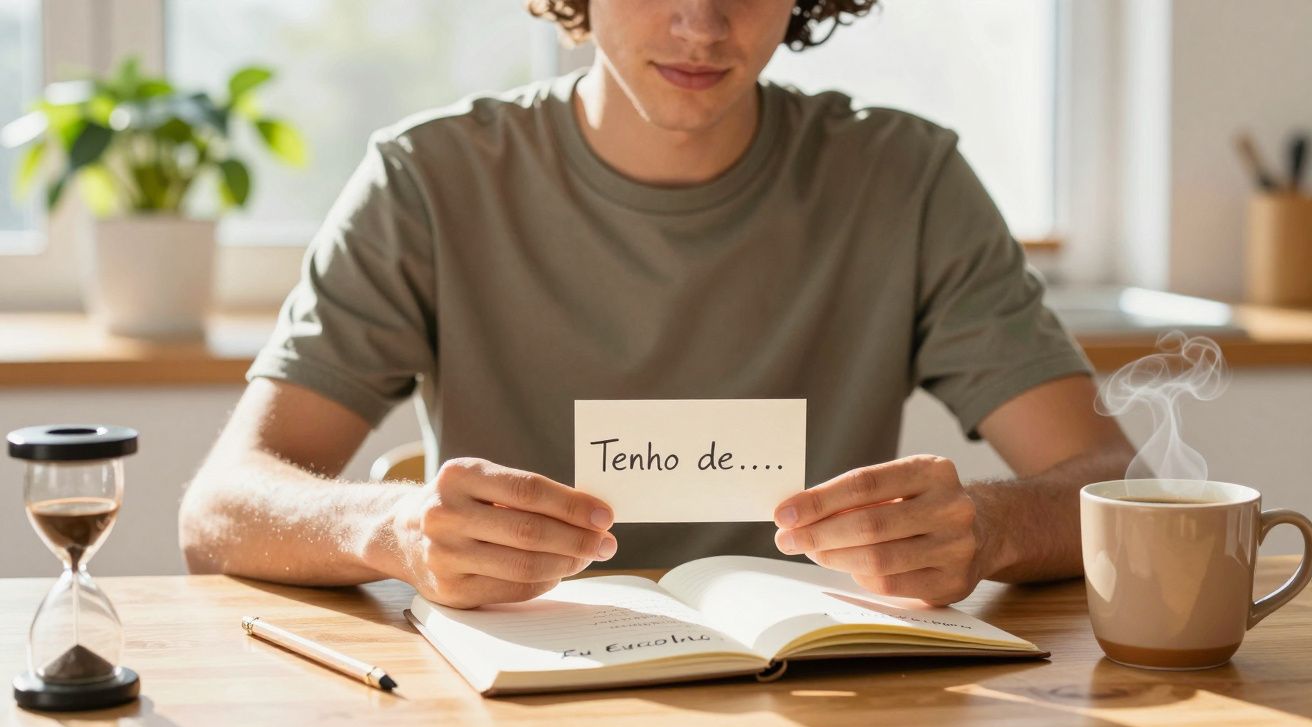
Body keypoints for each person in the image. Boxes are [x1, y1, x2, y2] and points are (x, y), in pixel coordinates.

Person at [179, 0, 1135, 610]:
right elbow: (221, 506)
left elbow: (1113, 482)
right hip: (512, 693)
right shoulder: (428, 181)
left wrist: (989, 526)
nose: (703, 26)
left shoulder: (905, 180)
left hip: (829, 697)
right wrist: (390, 530)